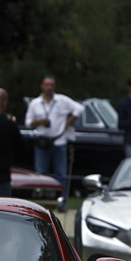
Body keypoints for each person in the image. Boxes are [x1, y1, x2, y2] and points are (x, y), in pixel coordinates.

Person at [24, 75, 84, 211]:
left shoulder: (61, 100)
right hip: (42, 142)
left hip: (59, 141)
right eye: (47, 84)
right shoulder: (35, 103)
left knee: (61, 174)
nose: (49, 87)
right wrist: (40, 122)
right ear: (42, 86)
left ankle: (62, 202)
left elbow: (79, 109)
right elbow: (28, 122)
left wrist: (68, 122)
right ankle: (41, 203)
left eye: (52, 85)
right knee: (41, 174)